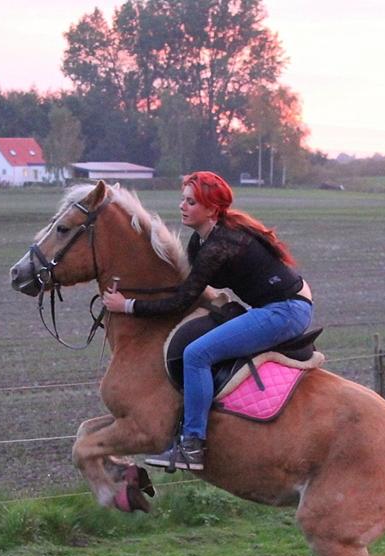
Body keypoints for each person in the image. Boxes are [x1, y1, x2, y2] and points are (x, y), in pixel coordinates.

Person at [101, 171, 313, 471]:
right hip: (274, 305)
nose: (182, 207)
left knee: (197, 354)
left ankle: (192, 445)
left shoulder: (218, 245)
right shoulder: (201, 241)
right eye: (183, 200)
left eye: (191, 202)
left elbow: (181, 300)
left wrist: (128, 305)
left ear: (212, 209)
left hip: (285, 311)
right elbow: (185, 287)